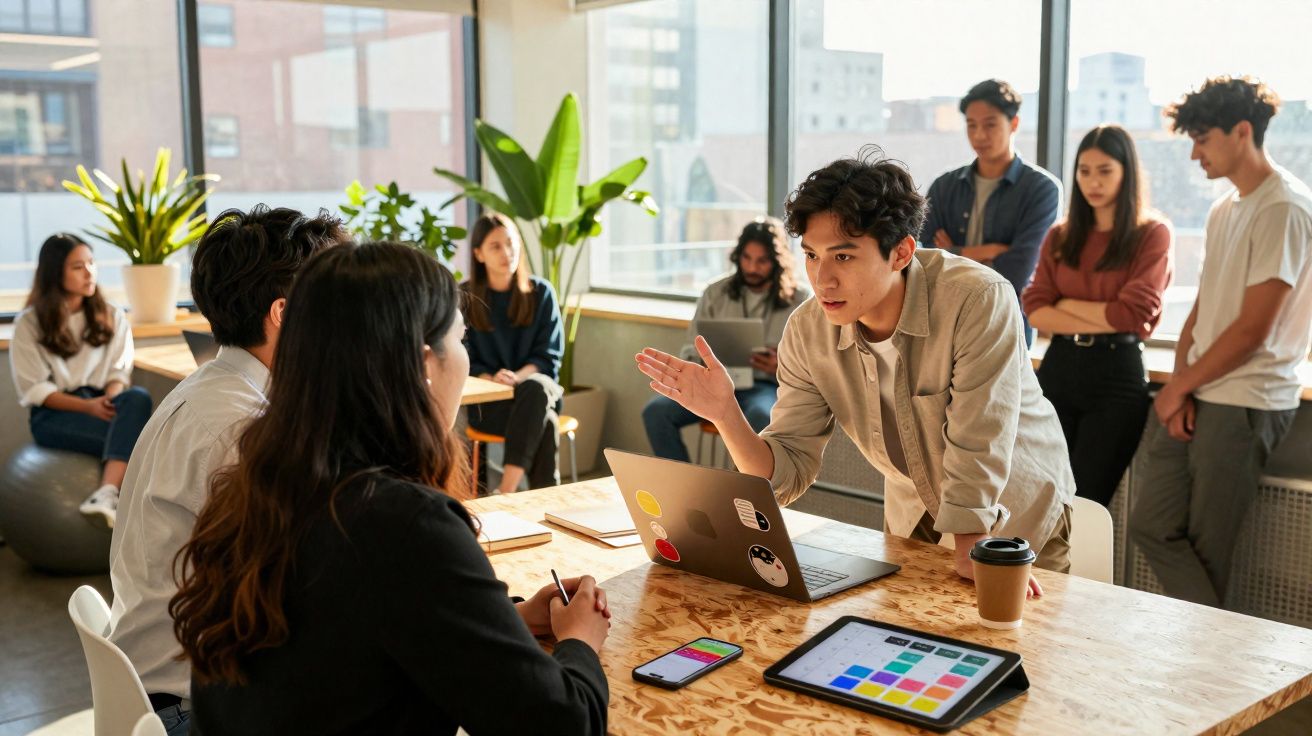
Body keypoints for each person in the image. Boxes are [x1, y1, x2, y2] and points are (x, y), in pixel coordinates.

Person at [170, 242, 612, 735]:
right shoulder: (403, 523)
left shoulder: (261, 485)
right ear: (424, 364)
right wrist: (580, 640)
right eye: (462, 340)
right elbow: (563, 726)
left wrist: (508, 620)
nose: (465, 359)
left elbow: (355, 626)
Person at [636, 149, 1075, 593]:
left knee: (1020, 656)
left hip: (1012, 525)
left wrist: (971, 547)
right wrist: (726, 414)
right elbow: (785, 471)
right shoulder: (808, 331)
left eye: (843, 257)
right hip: (913, 519)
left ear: (901, 252)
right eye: (811, 255)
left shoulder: (976, 299)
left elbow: (978, 438)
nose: (822, 279)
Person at [108, 206, 352, 736]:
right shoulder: (241, 429)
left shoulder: (212, 392)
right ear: (285, 313)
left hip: (157, 687)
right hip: (190, 711)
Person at [1130, 76, 1312, 609]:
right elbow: (1206, 309)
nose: (1193, 154)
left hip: (1246, 402)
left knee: (1211, 552)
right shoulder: (1224, 208)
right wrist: (1181, 386)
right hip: (1200, 391)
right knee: (1149, 524)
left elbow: (1254, 330)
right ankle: (1207, 657)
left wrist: (1178, 386)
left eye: (1202, 138)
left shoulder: (1284, 208)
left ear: (1242, 131)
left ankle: (1210, 674)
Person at [1023, 125, 1174, 507]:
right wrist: (1107, 313)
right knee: (1043, 499)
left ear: (1126, 172)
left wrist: (1067, 306)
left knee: (1088, 504)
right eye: (1084, 170)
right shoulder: (1061, 235)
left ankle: (1079, 572)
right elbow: (1036, 308)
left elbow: (1134, 312)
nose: (1093, 181)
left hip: (1116, 377)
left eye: (1105, 170)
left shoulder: (1151, 234)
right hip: (1059, 367)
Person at [9, 233, 152, 528]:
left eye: (91, 263)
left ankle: (105, 492)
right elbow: (35, 389)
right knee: (143, 447)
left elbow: (118, 372)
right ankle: (111, 493)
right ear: (54, 272)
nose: (90, 273)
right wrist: (87, 407)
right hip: (55, 414)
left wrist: (109, 400)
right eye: (77, 266)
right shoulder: (28, 323)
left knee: (137, 397)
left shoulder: (112, 315)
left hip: (104, 403)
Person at [642, 217, 810, 462]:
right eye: (746, 258)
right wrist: (701, 362)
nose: (752, 268)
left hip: (764, 387)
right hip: (712, 383)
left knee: (762, 415)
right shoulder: (715, 292)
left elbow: (811, 365)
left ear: (777, 262)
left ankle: (743, 493)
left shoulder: (801, 299)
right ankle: (685, 486)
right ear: (737, 257)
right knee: (656, 412)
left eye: (761, 261)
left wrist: (780, 366)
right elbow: (690, 347)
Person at [920, 79, 1062, 345]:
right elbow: (925, 261)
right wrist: (987, 251)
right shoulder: (944, 186)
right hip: (945, 325)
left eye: (990, 124)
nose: (979, 135)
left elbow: (1019, 269)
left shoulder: (1042, 189)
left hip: (1006, 327)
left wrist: (954, 253)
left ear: (1014, 124)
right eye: (971, 125)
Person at [461, 213, 566, 492]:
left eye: (511, 243)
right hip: (491, 404)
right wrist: (490, 379)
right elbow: (462, 356)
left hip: (535, 391)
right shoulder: (465, 297)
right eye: (495, 246)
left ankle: (505, 492)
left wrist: (516, 378)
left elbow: (548, 357)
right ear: (478, 254)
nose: (507, 252)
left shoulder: (541, 292)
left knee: (535, 388)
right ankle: (544, 501)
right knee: (546, 423)